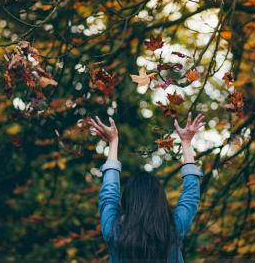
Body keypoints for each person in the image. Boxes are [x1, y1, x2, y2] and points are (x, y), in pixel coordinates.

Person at [88, 112, 205, 263]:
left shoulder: (114, 230)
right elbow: (191, 196)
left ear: (128, 200)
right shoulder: (172, 229)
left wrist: (113, 142)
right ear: (160, 199)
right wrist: (186, 143)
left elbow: (109, 194)